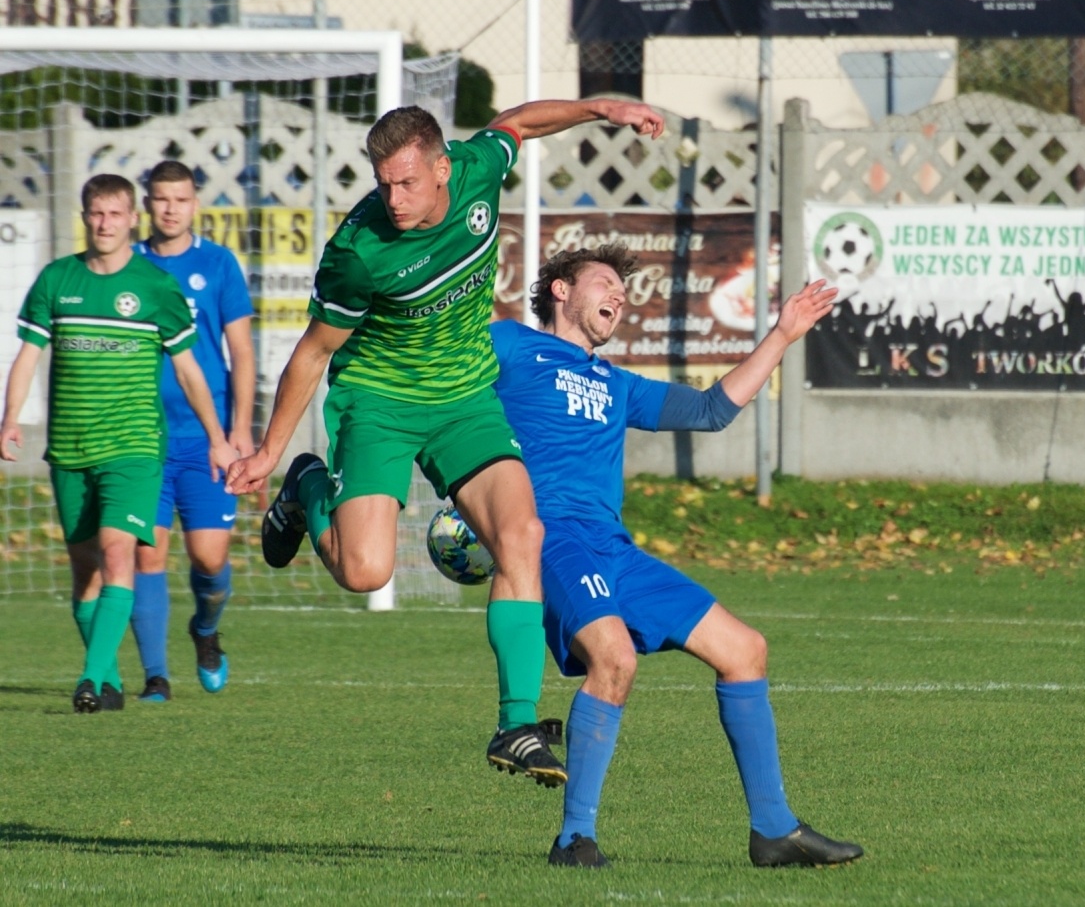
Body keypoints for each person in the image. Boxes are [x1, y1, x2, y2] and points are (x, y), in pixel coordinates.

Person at [225, 100, 664, 785]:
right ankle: (307, 486)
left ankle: (515, 726)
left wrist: (597, 108)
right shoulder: (358, 251)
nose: (393, 199)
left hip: (465, 400)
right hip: (381, 402)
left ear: (441, 168)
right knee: (365, 571)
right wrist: (270, 451)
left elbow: (517, 124)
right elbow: (313, 353)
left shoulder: (478, 172)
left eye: (406, 183)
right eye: (382, 184)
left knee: (523, 535)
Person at [484, 243, 863, 869]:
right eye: (604, 283)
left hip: (615, 550)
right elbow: (438, 388)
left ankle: (774, 830)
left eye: (622, 290)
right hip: (553, 541)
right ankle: (574, 839)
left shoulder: (615, 382)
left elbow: (713, 410)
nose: (618, 296)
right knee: (615, 659)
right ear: (559, 290)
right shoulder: (507, 346)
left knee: (746, 651)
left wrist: (781, 334)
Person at [1, 174, 235, 713]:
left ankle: (88, 679)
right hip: (69, 450)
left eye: (115, 214)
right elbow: (28, 359)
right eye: (95, 214)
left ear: (133, 219)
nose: (105, 224)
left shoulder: (154, 288)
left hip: (132, 448)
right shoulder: (57, 281)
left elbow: (192, 372)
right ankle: (106, 680)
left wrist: (218, 439)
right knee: (85, 571)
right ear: (85, 217)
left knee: (118, 552)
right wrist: (10, 419)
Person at [129, 161, 257, 702]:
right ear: (148, 204)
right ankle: (155, 678)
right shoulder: (126, 266)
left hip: (208, 441)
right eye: (160, 199)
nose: (170, 209)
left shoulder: (218, 263)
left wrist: (240, 431)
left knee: (208, 558)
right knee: (146, 554)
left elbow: (241, 352)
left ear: (195, 203)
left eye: (180, 199)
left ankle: (205, 629)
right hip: (141, 437)